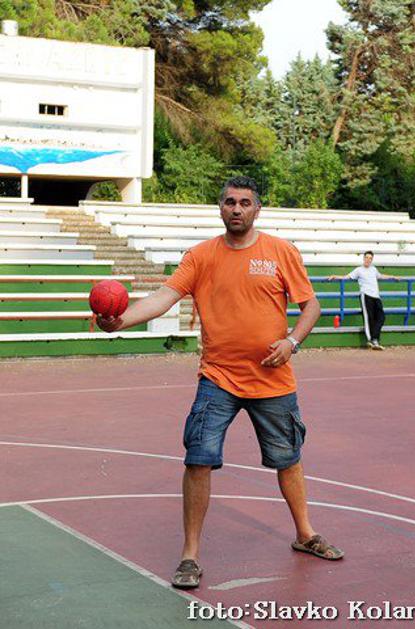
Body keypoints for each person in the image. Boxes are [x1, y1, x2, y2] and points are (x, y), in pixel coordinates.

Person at [97, 176, 344, 589]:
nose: (236, 209)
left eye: (245, 202)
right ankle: (190, 555)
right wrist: (120, 322)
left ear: (257, 209)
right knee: (198, 458)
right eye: (230, 202)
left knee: (288, 458)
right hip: (218, 377)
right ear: (220, 208)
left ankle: (305, 533)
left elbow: (311, 306)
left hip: (272, 378)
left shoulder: (280, 251)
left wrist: (292, 342)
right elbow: (163, 297)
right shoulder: (201, 256)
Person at [329, 251, 400, 350]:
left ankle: (374, 339)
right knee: (369, 318)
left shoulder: (374, 269)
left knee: (381, 317)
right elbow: (347, 277)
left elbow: (381, 276)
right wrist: (335, 276)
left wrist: (393, 277)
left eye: (370, 258)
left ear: (372, 260)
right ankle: (372, 340)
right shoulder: (359, 270)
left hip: (376, 296)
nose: (368, 260)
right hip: (366, 296)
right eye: (366, 257)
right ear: (363, 258)